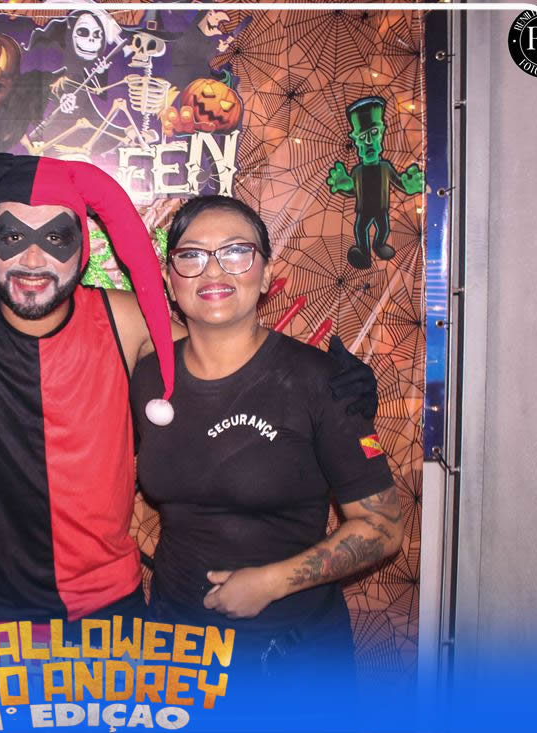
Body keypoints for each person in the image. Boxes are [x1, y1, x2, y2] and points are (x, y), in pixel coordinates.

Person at [0, 155, 381, 646]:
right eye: (12, 236)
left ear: (83, 248)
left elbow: (224, 358)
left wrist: (333, 387)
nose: (33, 259)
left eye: (56, 238)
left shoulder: (126, 323)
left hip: (114, 610)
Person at [129, 195, 403, 691]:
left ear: (266, 273)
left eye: (236, 251)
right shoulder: (149, 377)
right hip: (175, 648)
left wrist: (272, 582)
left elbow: (383, 528)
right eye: (191, 255)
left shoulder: (320, 380)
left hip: (289, 657)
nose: (214, 270)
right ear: (171, 280)